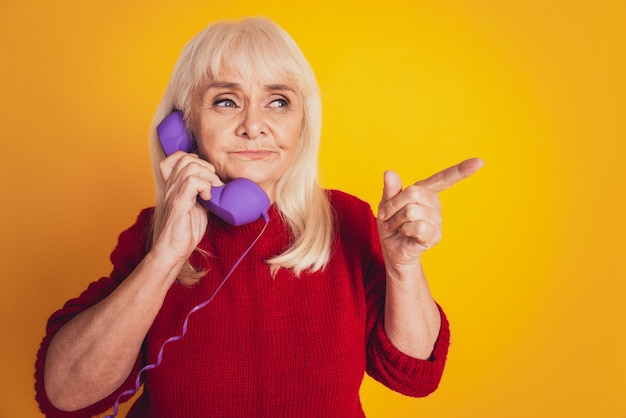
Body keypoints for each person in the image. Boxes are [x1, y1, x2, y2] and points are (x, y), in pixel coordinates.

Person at [34, 17, 483, 417]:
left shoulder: (346, 218)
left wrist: (404, 269)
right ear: (184, 126)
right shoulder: (155, 232)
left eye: (278, 101)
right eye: (226, 101)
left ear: (303, 122)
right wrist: (166, 256)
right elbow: (66, 396)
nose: (253, 125)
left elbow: (415, 377)